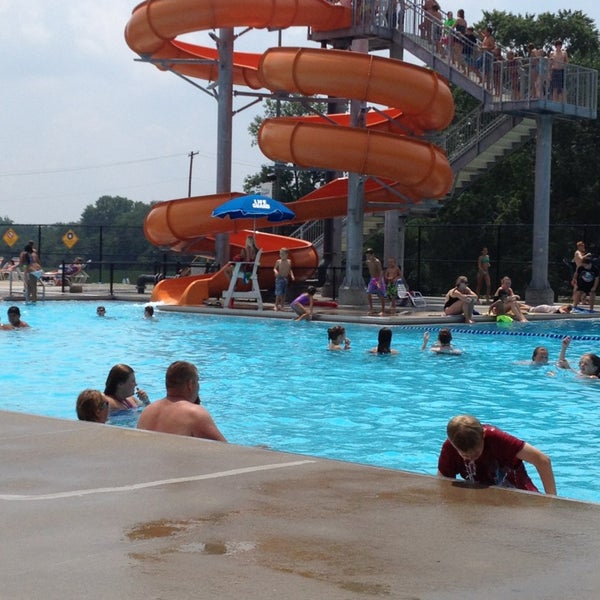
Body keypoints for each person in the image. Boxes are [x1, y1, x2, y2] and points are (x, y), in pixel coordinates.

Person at [438, 415, 556, 495]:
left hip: (516, 487)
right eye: (466, 456)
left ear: (483, 435)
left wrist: (551, 499)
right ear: (455, 446)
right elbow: (442, 484)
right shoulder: (449, 448)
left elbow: (542, 460)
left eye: (476, 453)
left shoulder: (497, 439)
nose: (472, 458)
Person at [136, 361, 227, 441]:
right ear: (190, 384)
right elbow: (227, 450)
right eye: (197, 381)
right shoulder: (194, 413)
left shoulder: (148, 410)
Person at [273, 247, 295, 311]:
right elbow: (274, 268)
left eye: (282, 254)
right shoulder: (278, 261)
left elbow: (290, 270)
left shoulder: (289, 261)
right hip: (279, 278)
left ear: (286, 255)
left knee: (283, 294)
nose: (281, 255)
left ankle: (282, 306)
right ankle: (276, 305)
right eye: (280, 254)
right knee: (278, 293)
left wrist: (292, 276)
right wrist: (276, 271)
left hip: (285, 279)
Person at [365, 248, 386, 315]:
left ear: (373, 254)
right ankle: (371, 309)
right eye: (367, 256)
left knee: (381, 295)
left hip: (379, 279)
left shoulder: (377, 261)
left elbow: (381, 271)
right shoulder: (367, 262)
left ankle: (383, 310)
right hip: (373, 279)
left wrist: (379, 282)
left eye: (369, 255)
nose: (368, 257)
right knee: (368, 293)